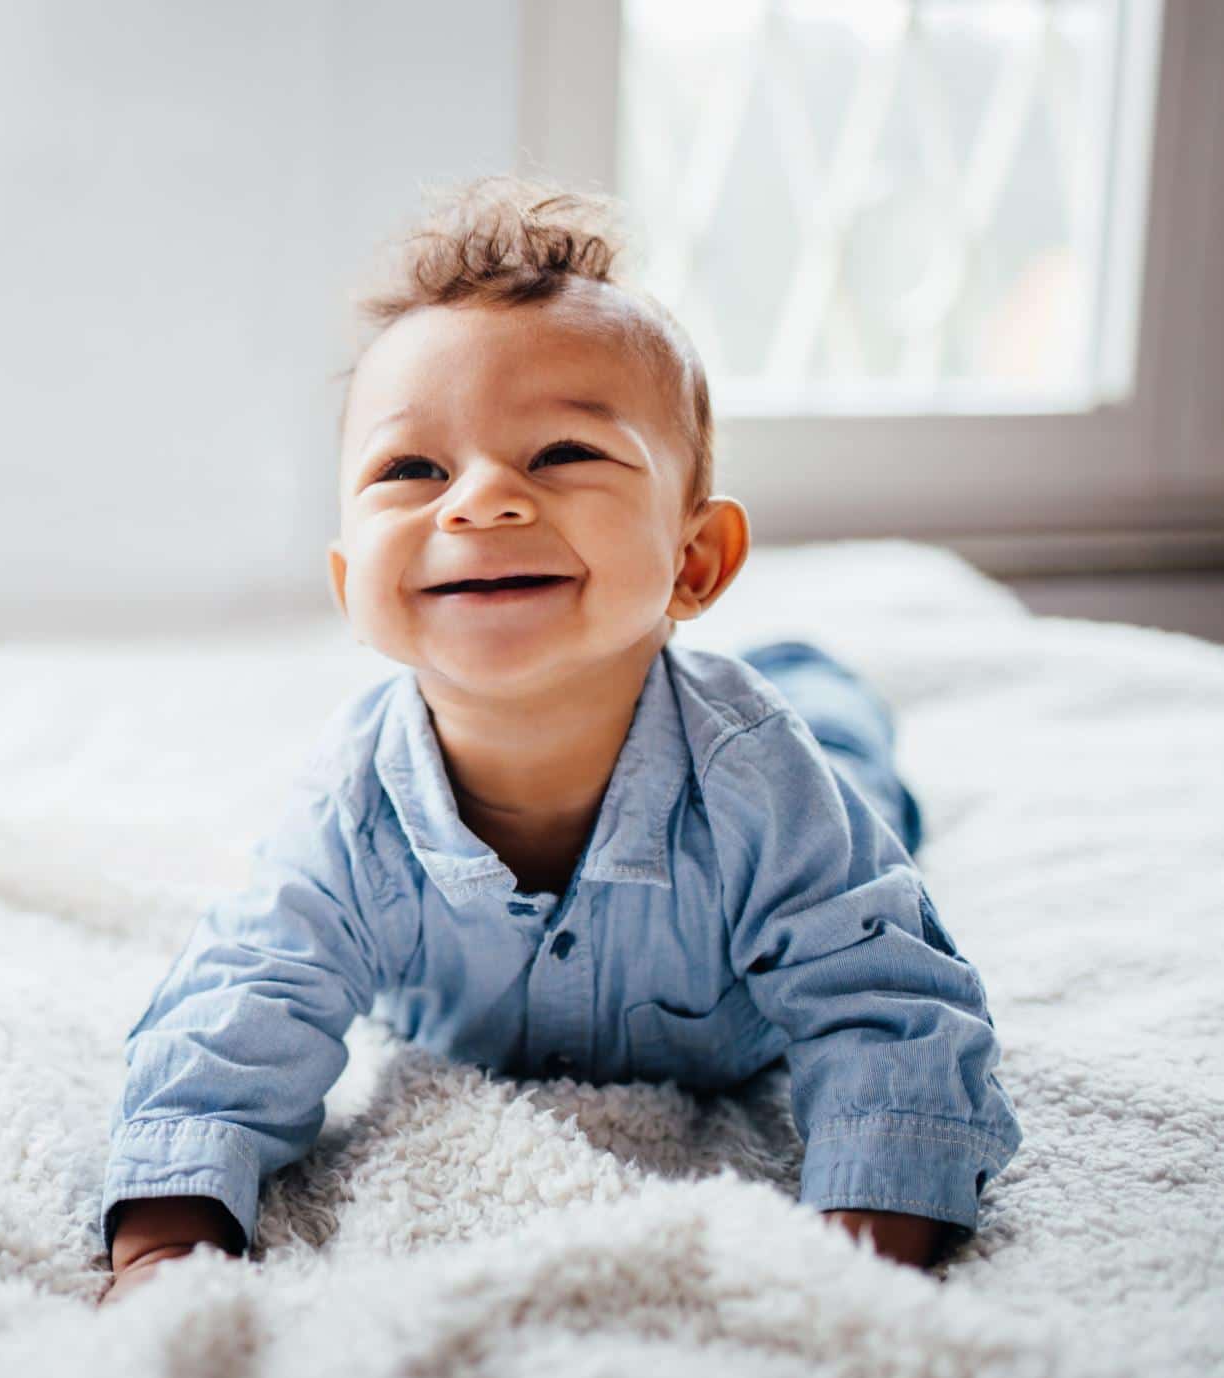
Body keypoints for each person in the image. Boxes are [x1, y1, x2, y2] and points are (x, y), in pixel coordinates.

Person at [96, 176, 1019, 1304]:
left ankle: (823, 686)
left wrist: (861, 1246)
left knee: (850, 769)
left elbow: (887, 998)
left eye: (564, 454)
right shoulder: (352, 806)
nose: (480, 502)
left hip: (785, 753)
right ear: (349, 587)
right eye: (411, 470)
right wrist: (166, 1237)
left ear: (696, 563)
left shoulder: (759, 780)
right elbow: (239, 1002)